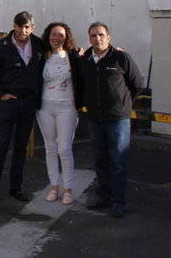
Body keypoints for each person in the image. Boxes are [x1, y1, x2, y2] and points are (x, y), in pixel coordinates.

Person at [80, 22, 143, 218]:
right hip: (94, 119)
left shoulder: (121, 57)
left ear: (109, 37)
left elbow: (138, 84)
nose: (97, 39)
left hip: (117, 120)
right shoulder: (86, 61)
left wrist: (123, 104)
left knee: (118, 162)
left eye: (101, 35)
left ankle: (118, 201)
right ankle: (104, 196)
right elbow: (81, 85)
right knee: (100, 161)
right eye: (93, 36)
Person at [0, 11, 44, 202]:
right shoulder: (2, 46)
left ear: (32, 27)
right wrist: (1, 93)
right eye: (19, 26)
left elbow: (59, 51)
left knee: (21, 147)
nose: (23, 30)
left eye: (27, 27)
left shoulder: (38, 44)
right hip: (9, 102)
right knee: (1, 146)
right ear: (14, 26)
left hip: (28, 102)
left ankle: (15, 188)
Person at [36, 22, 82, 205]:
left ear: (67, 37)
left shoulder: (74, 57)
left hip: (67, 108)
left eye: (60, 35)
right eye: (53, 34)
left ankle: (68, 189)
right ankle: (54, 187)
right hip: (45, 108)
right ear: (48, 37)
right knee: (50, 148)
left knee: (64, 149)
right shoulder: (42, 57)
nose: (56, 38)